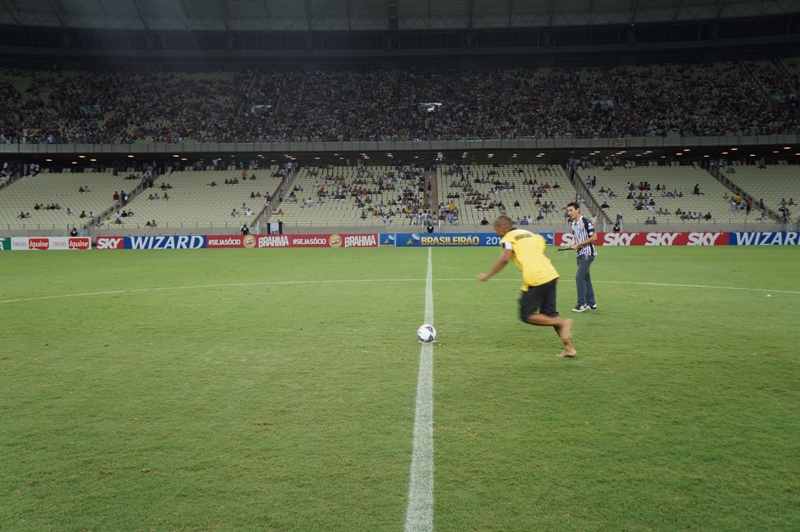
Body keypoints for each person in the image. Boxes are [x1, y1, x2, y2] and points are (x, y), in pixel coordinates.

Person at [476, 215, 576, 358]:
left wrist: (487, 275)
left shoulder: (508, 238)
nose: (496, 233)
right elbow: (540, 249)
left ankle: (562, 322)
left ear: (502, 228)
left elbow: (504, 258)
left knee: (526, 315)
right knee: (549, 314)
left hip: (537, 278)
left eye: (496, 230)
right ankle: (569, 348)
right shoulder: (529, 234)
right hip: (550, 274)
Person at [566, 202, 598, 312]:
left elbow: (594, 237)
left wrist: (578, 245)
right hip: (580, 253)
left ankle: (581, 304)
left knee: (579, 277)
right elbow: (576, 238)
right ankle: (591, 304)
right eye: (568, 211)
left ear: (578, 210)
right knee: (586, 278)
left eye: (571, 210)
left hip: (587, 253)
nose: (569, 213)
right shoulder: (573, 224)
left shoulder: (585, 221)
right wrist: (573, 244)